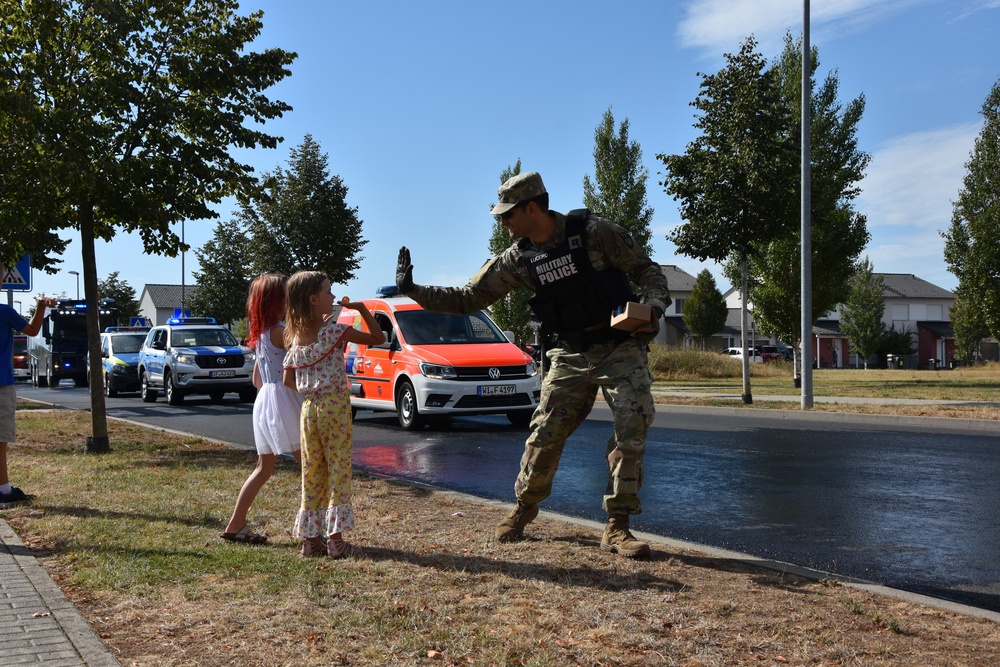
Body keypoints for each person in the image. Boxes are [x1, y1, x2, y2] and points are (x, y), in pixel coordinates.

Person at [395, 171, 671, 558]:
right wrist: (413, 290)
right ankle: (524, 510)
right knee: (545, 433)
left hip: (619, 347)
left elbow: (648, 271)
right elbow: (469, 298)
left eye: (508, 215)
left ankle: (618, 526)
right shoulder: (519, 259)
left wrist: (653, 308)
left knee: (633, 425)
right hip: (569, 351)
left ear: (531, 207)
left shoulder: (594, 232)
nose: (503, 223)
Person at [282, 271, 384, 557]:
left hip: (309, 409)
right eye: (328, 292)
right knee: (339, 468)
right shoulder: (335, 332)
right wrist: (361, 309)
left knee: (312, 472)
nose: (333, 296)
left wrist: (311, 387)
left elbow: (288, 381)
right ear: (314, 300)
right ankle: (336, 540)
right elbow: (377, 336)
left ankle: (310, 541)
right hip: (335, 407)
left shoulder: (296, 341)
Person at [221, 274, 303, 544]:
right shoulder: (281, 332)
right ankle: (313, 531)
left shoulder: (261, 336)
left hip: (265, 401)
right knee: (310, 466)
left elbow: (257, 379)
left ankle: (235, 524)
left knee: (263, 468)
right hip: (286, 400)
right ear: (279, 300)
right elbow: (308, 353)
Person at [1, 295, 58, 509]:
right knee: (0, 441)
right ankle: (4, 492)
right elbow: (33, 330)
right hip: (1, 384)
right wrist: (41, 307)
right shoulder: (4, 312)